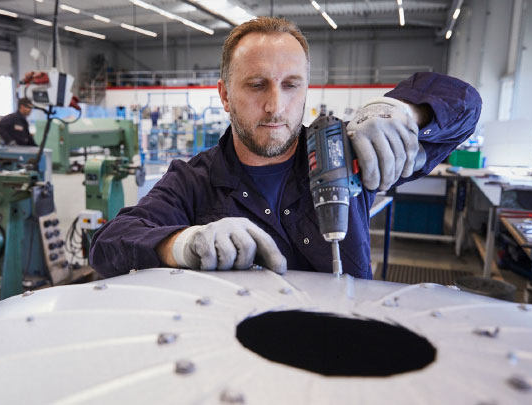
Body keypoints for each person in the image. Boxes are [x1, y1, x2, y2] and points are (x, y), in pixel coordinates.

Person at [90, 17, 481, 279]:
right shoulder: (193, 180)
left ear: (306, 90)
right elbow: (108, 246)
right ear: (225, 95)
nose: (275, 106)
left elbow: (466, 104)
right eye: (257, 85)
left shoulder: (346, 154)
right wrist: (183, 244)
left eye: (291, 85)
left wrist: (405, 111)